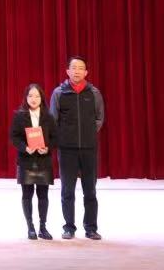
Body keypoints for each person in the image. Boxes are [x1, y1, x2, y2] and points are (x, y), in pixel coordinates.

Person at [49, 55, 105, 240]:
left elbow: (99, 118)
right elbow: (53, 120)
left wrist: (88, 133)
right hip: (67, 150)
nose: (77, 71)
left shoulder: (94, 93)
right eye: (73, 68)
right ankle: (69, 227)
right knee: (67, 191)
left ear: (86, 72)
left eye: (81, 68)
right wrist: (65, 137)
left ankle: (91, 228)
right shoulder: (59, 93)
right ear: (67, 71)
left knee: (90, 191)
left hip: (89, 148)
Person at [10, 83, 57, 240]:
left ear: (42, 98)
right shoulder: (19, 116)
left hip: (44, 160)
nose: (34, 99)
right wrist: (25, 148)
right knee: (27, 194)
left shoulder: (48, 116)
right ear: (26, 98)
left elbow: (55, 137)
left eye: (37, 96)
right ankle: (30, 227)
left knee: (43, 195)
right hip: (26, 160)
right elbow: (14, 137)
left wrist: (48, 148)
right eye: (30, 96)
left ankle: (43, 227)